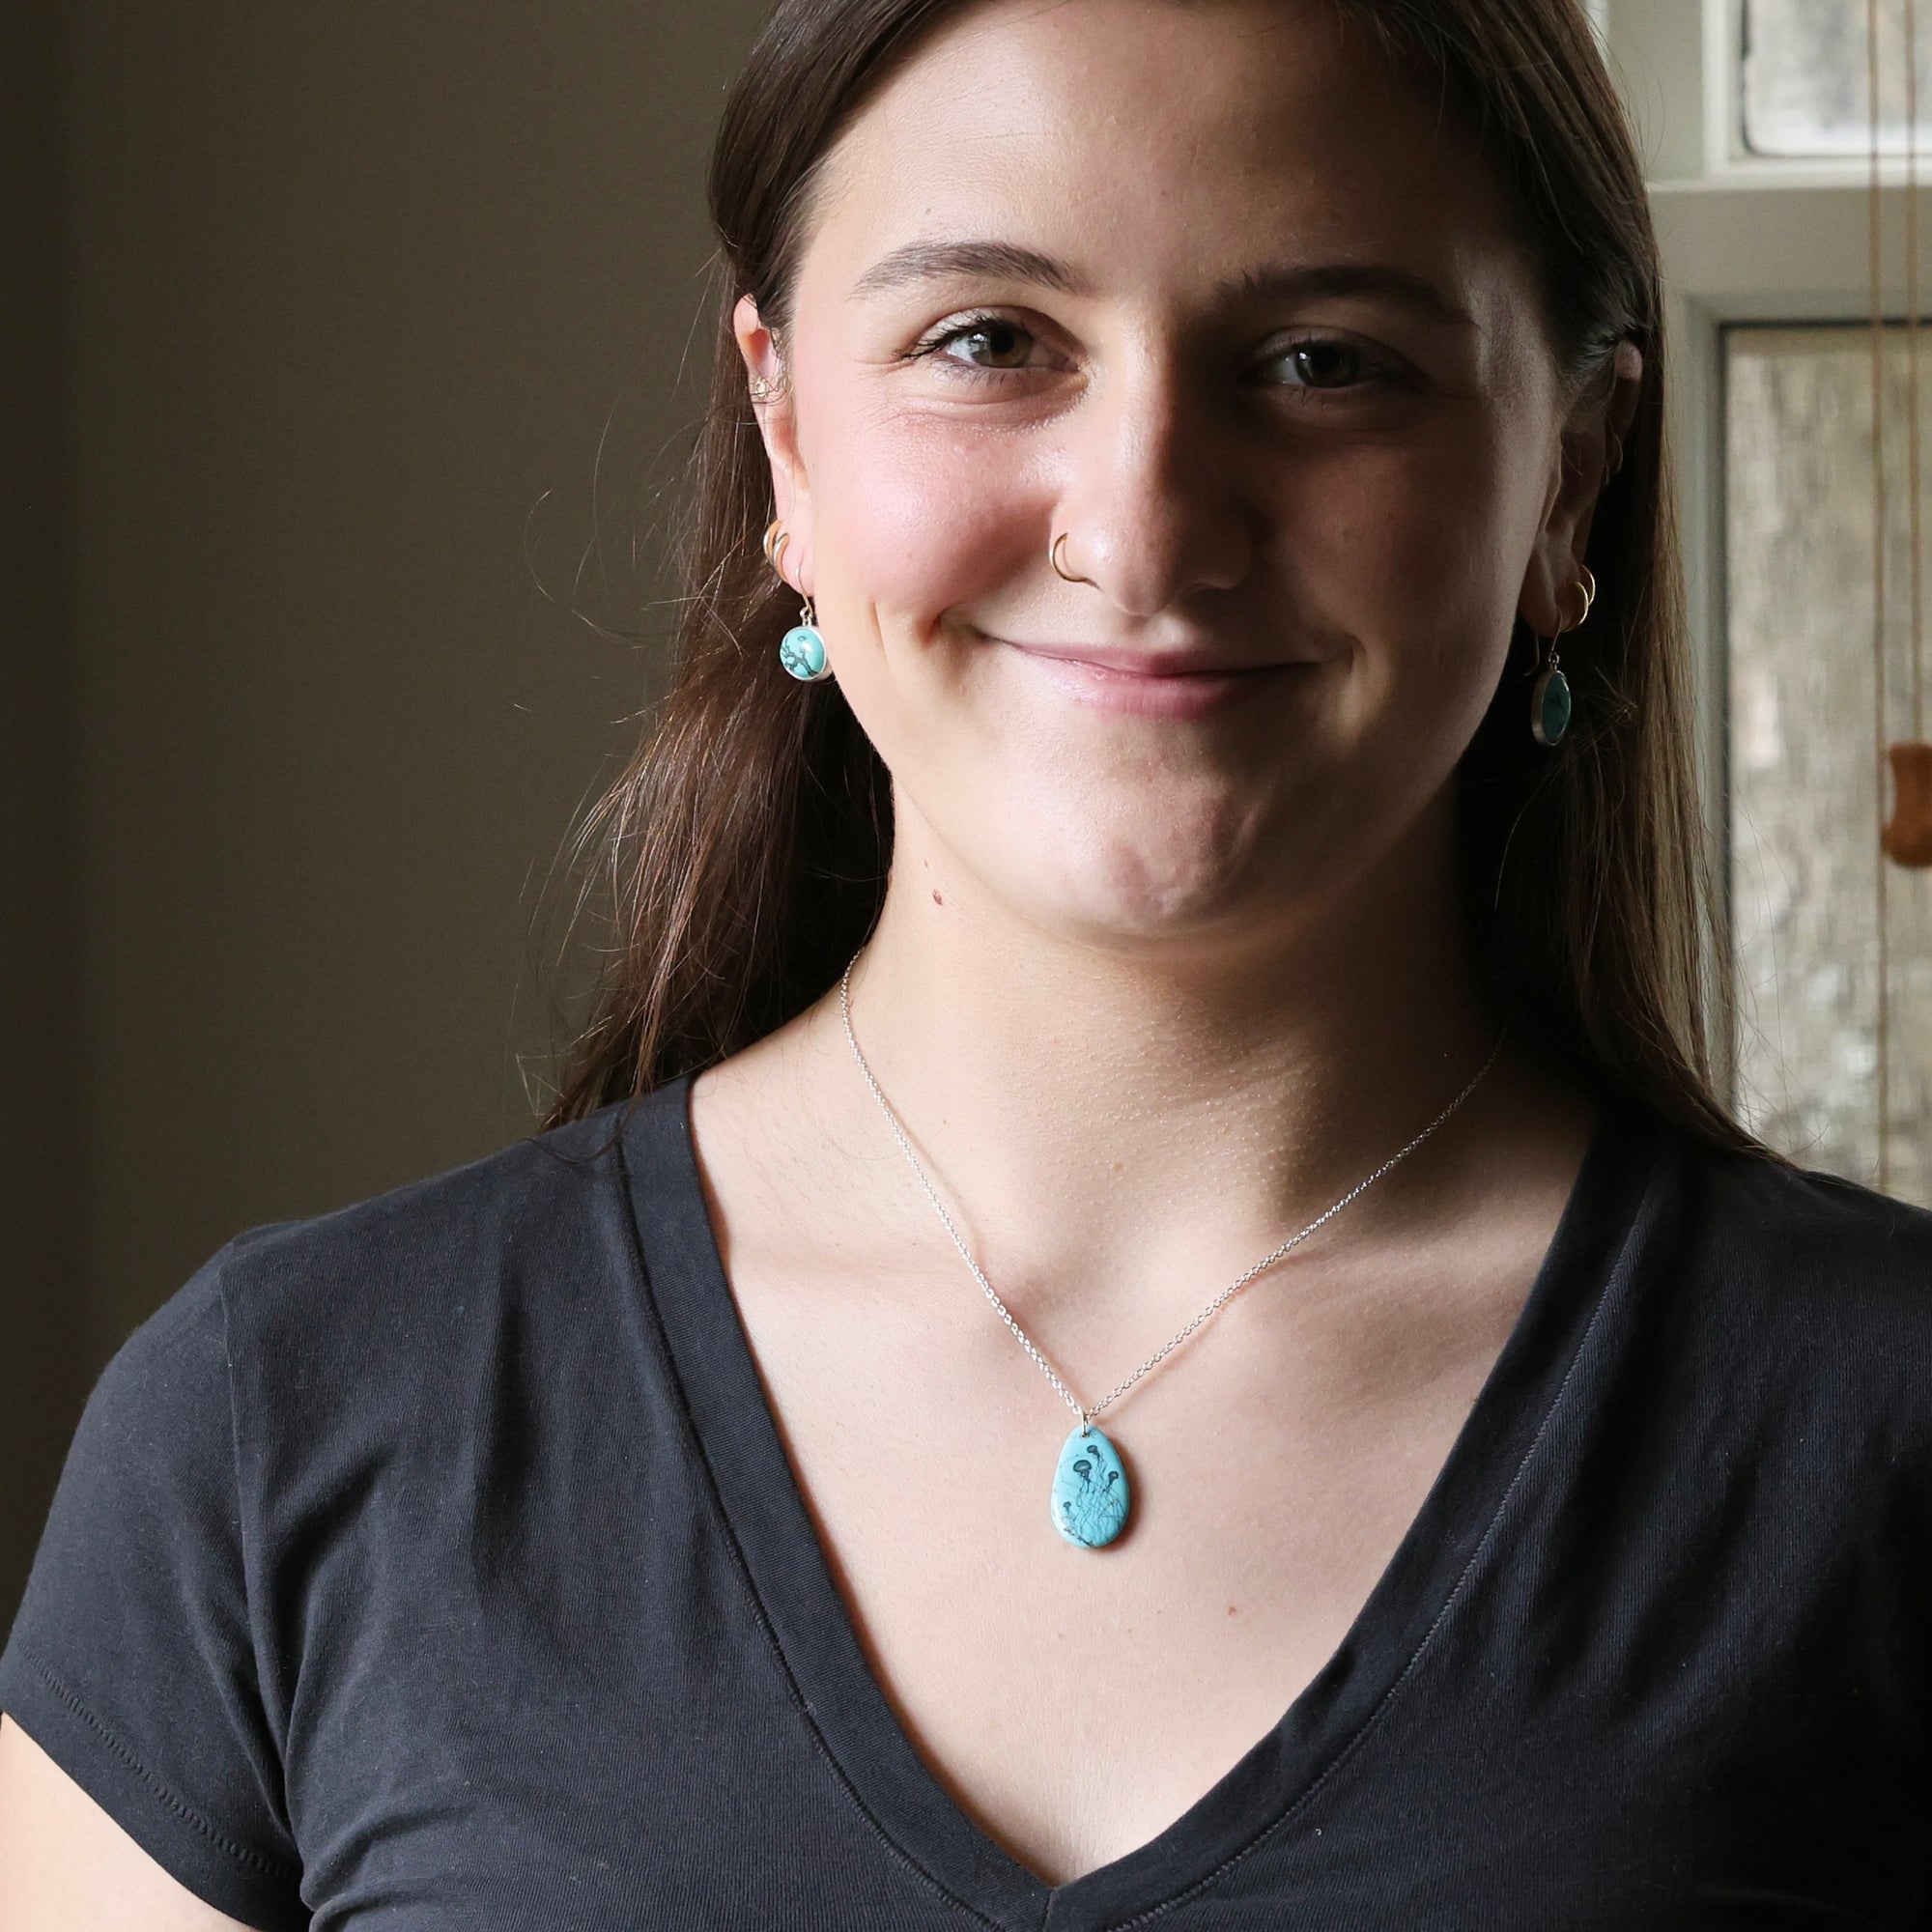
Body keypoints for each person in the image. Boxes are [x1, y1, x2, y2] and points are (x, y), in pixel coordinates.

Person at [5, 0, 1931, 1923]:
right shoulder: (278, 1438)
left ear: (1570, 471)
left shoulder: (1879, 1427)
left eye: (1325, 361)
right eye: (987, 343)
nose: (1144, 526)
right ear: (786, 431)